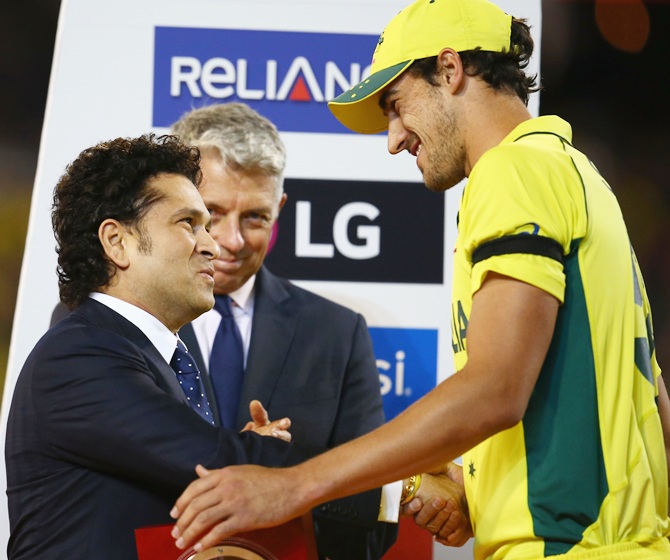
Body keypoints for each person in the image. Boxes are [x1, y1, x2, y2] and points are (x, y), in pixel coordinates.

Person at [170, 0, 670, 558]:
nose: (392, 138)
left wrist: (291, 485)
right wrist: (474, 488)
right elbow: (651, 403)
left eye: (397, 105)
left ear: (450, 70)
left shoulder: (510, 172)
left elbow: (495, 390)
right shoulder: (582, 176)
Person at [5, 134, 399, 560]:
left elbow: (183, 468)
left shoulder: (155, 357)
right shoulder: (79, 355)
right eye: (189, 224)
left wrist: (243, 462)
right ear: (117, 242)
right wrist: (401, 484)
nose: (213, 245)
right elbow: (209, 456)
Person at [169, 102, 467, 558]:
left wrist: (288, 489)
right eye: (211, 213)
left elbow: (370, 536)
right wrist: (251, 459)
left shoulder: (336, 334)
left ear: (280, 208)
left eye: (255, 217)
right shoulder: (115, 320)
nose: (231, 240)